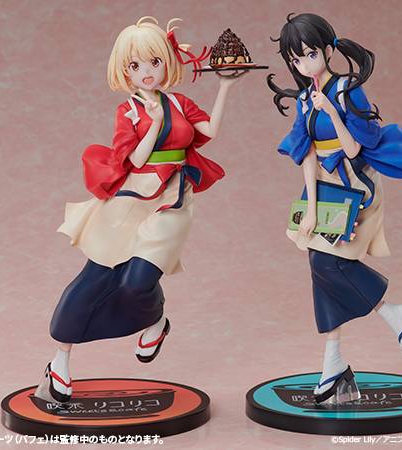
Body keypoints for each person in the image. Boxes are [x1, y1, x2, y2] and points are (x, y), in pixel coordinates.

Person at [35, 16, 246, 403]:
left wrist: (225, 87)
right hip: (131, 197)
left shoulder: (179, 102)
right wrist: (154, 123)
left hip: (173, 199)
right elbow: (133, 158)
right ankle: (60, 359)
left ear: (166, 62)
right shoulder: (128, 110)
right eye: (135, 65)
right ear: (125, 71)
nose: (146, 72)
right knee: (96, 276)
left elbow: (209, 132)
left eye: (154, 62)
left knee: (138, 281)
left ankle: (155, 319)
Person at [267, 13, 402, 404]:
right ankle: (335, 362)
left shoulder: (347, 90)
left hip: (356, 185)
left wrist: (333, 111)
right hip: (326, 188)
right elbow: (306, 155)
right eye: (296, 59)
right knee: (319, 266)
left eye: (310, 54)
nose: (305, 65)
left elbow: (354, 148)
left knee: (327, 264)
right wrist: (312, 207)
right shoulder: (305, 99)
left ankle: (393, 315)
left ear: (328, 50)